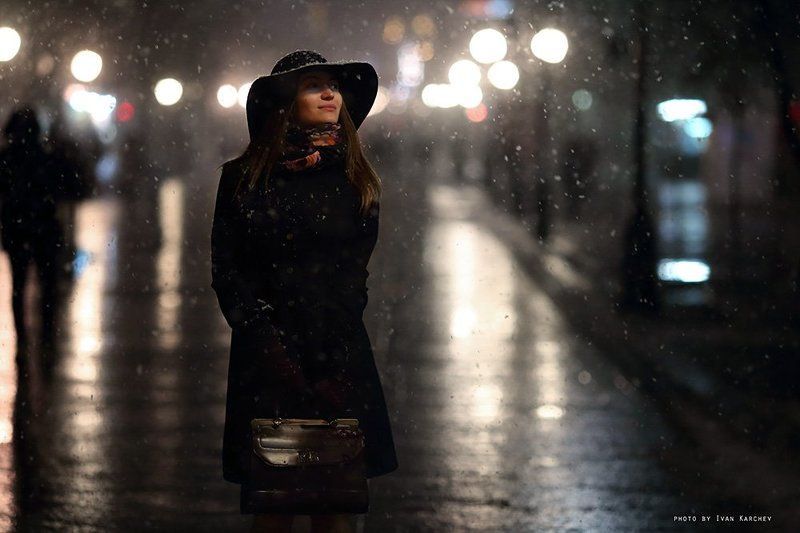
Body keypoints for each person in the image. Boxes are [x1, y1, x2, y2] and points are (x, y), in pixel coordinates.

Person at [210, 50, 399, 532]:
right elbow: (228, 270)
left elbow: (353, 278)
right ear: (285, 103)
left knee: (335, 503)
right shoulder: (243, 179)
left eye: (333, 86)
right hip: (266, 356)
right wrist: (267, 344)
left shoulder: (357, 180)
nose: (330, 94)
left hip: (337, 353)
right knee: (274, 505)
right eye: (314, 85)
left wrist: (330, 362)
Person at [0, 106, 72, 354]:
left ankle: (24, 338)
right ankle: (46, 336)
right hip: (43, 230)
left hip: (18, 231)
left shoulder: (6, 159)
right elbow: (71, 187)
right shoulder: (47, 158)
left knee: (19, 285)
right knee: (46, 284)